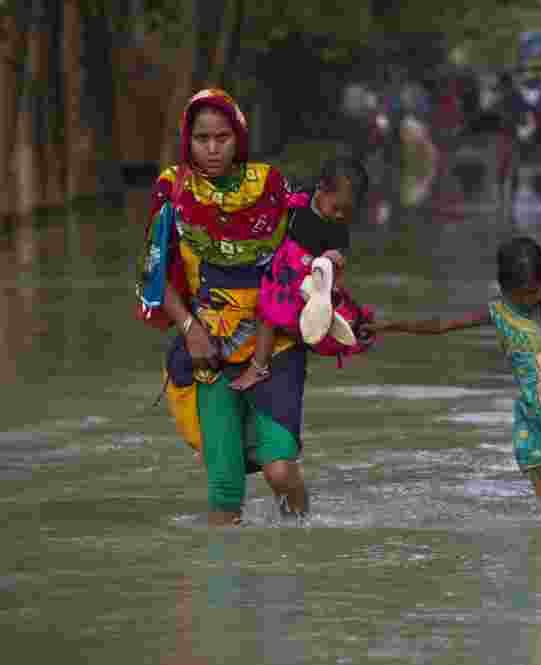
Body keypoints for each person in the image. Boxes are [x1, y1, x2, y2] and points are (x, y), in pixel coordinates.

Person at [367, 237, 541, 514]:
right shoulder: (498, 313)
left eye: (533, 291)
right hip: (539, 418)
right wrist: (390, 325)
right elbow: (440, 325)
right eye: (517, 294)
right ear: (503, 287)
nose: (526, 300)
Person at [139, 88, 310, 526]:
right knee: (224, 492)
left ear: (239, 138)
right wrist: (190, 329)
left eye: (222, 137)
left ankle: (301, 548)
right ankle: (222, 589)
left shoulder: (270, 184)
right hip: (208, 349)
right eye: (202, 138)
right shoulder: (172, 188)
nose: (212, 148)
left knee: (281, 469)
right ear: (188, 140)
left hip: (275, 347)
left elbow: (301, 253)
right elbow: (155, 270)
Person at [230, 153, 377, 392]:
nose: (340, 215)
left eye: (348, 211)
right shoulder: (298, 199)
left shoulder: (337, 229)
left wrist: (332, 263)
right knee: (268, 312)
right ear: (320, 189)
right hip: (281, 266)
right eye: (337, 207)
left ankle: (258, 368)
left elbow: (337, 267)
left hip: (307, 281)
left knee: (272, 316)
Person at [494, 71, 531, 209]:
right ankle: (510, 202)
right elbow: (523, 119)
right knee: (512, 169)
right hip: (512, 136)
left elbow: (493, 116)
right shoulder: (517, 96)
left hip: (503, 136)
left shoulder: (501, 98)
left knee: (503, 169)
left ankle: (502, 202)